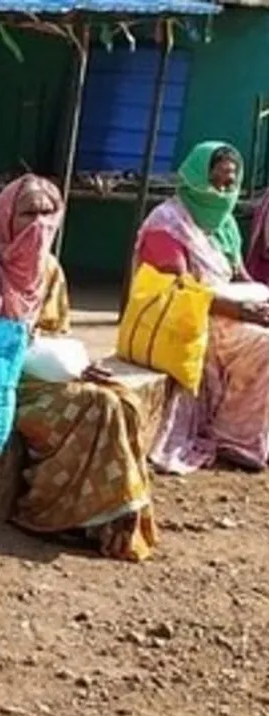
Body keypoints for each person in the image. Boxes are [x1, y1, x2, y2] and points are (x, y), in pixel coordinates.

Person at [0, 175, 158, 561]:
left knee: (123, 401)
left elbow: (57, 332)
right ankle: (48, 511)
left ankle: (101, 520)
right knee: (96, 405)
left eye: (48, 212)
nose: (39, 223)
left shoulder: (49, 269)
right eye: (28, 213)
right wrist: (30, 346)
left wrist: (74, 364)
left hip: (43, 374)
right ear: (6, 216)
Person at [139, 141, 269, 473]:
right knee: (264, 345)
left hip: (225, 311)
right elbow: (178, 290)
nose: (222, 191)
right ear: (197, 177)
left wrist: (260, 301)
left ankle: (249, 429)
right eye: (216, 181)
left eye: (229, 184)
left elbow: (238, 275)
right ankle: (232, 436)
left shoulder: (224, 225)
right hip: (183, 318)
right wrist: (240, 312)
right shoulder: (167, 223)